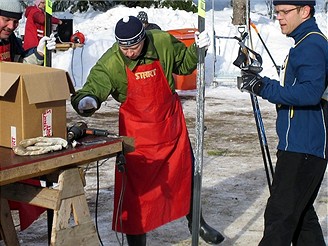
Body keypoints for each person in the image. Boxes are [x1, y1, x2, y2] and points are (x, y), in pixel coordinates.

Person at [71, 16, 224, 245]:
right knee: (135, 193)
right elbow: (95, 84)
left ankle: (197, 222)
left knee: (186, 173)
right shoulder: (113, 61)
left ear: (143, 38)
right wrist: (87, 100)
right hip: (138, 136)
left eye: (134, 46)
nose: (129, 52)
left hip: (169, 126)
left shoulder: (161, 42)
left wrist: (197, 49)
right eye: (124, 48)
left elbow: (183, 63)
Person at [237, 0, 327, 245]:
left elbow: (309, 93)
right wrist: (261, 82)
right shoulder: (304, 43)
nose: (279, 17)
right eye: (277, 12)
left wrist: (264, 87)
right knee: (301, 219)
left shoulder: (312, 44)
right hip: (300, 145)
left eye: (285, 11)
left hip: (304, 147)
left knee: (279, 218)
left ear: (305, 11)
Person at [0, 0, 57, 230]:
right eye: (6, 20)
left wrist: (38, 54)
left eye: (15, 21)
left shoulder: (10, 40)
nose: (11, 26)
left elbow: (19, 66)